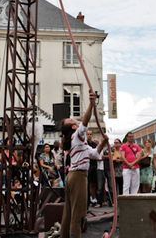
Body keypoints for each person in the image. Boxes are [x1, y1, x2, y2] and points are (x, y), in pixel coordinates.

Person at [59, 93, 108, 238]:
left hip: (72, 176)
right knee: (79, 213)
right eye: (73, 120)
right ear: (74, 126)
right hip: (79, 176)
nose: (76, 119)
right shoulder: (77, 136)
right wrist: (91, 104)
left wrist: (104, 142)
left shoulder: (79, 142)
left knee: (69, 212)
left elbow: (94, 154)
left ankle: (64, 235)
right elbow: (85, 122)